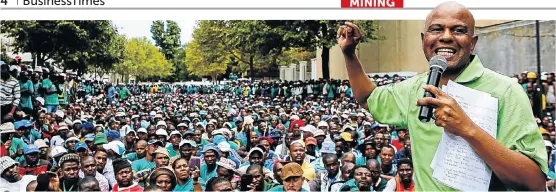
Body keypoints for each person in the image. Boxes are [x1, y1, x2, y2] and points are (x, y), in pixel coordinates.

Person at [337, 1, 547, 190]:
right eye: (436, 29)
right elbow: (367, 98)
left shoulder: (506, 91)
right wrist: (349, 55)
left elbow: (534, 182)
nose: (446, 36)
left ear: (472, 43)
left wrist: (468, 129)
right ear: (424, 40)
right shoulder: (413, 88)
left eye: (458, 30)